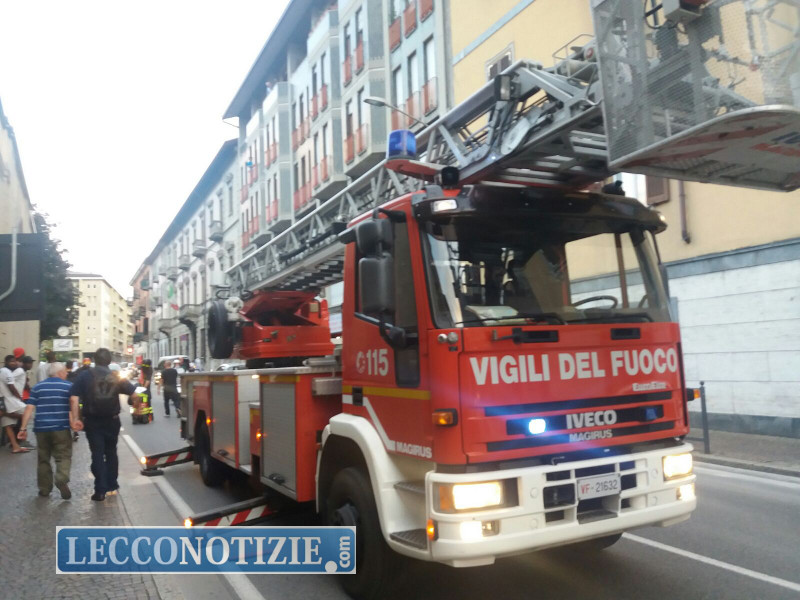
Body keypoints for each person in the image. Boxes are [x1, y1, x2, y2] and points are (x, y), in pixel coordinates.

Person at [70, 348, 139, 501]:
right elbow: (135, 395)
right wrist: (135, 407)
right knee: (111, 452)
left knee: (97, 453)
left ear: (94, 360)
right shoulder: (116, 376)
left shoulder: (85, 375)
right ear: (109, 361)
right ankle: (112, 485)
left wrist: (76, 419)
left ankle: (100, 490)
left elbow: (74, 398)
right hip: (112, 420)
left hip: (92, 421)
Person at [18, 362, 74, 498]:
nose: (66, 374)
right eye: (65, 372)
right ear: (60, 373)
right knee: (63, 456)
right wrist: (74, 422)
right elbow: (72, 405)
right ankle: (61, 479)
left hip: (41, 428)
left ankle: (44, 489)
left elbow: (29, 408)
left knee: (43, 458)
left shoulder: (38, 387)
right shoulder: (68, 386)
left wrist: (23, 428)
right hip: (61, 428)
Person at [0, 355, 31, 453]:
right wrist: (19, 397)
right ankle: (4, 413)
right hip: (9, 400)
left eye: (14, 361)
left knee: (8, 425)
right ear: (6, 362)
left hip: (3, 401)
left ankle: (15, 446)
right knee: (27, 412)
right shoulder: (7, 371)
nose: (14, 363)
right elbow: (11, 387)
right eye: (11, 361)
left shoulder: (2, 371)